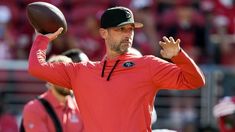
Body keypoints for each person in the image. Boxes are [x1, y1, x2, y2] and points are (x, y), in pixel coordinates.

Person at [28, 6, 205, 132]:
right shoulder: (81, 71)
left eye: (130, 29)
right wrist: (43, 39)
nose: (128, 34)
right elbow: (37, 68)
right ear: (104, 33)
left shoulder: (149, 65)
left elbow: (195, 80)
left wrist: (179, 55)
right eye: (121, 29)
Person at [22, 55, 84, 132]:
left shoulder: (80, 107)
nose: (68, 80)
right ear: (49, 79)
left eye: (70, 74)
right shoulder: (34, 108)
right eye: (62, 76)